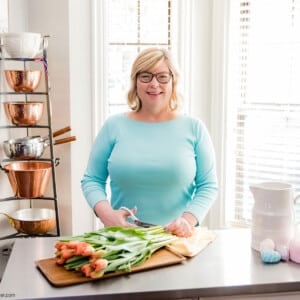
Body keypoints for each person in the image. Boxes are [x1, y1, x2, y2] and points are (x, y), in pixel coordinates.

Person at [81, 47, 218, 237]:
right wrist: (107, 215)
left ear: (173, 81)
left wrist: (187, 221)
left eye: (162, 76)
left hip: (177, 242)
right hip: (122, 240)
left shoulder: (194, 128)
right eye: (145, 76)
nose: (154, 84)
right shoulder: (114, 126)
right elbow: (92, 180)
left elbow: (208, 185)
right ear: (135, 82)